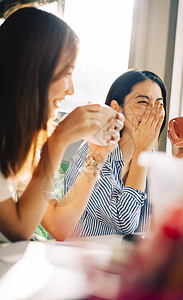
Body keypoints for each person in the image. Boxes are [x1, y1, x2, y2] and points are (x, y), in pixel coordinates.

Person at [0, 6, 124, 242]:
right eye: (66, 73)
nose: (71, 89)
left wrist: (96, 156)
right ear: (34, 71)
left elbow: (59, 225)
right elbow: (18, 230)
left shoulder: (19, 139)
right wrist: (58, 140)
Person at [64, 69, 166, 237]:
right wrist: (143, 151)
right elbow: (125, 222)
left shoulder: (153, 160)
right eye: (143, 102)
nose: (153, 112)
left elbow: (161, 226)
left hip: (127, 261)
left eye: (159, 104)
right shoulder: (94, 152)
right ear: (116, 108)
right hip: (78, 259)